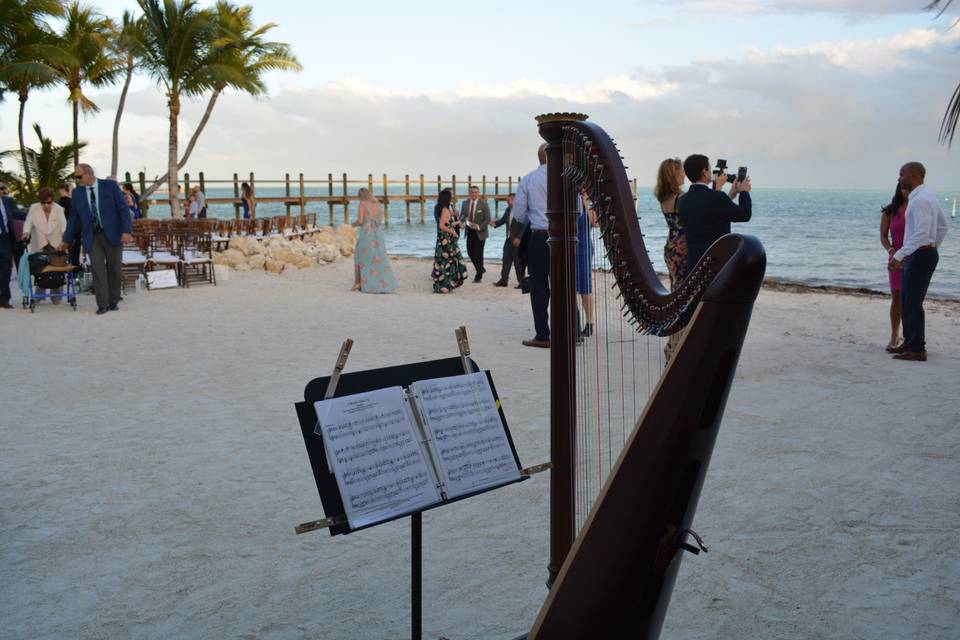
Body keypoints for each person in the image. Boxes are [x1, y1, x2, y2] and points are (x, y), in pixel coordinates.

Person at [889, 162, 948, 362]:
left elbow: (922, 233)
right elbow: (942, 227)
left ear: (914, 175)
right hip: (922, 253)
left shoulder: (920, 200)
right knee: (906, 299)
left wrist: (901, 254)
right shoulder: (927, 196)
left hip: (919, 255)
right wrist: (933, 246)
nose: (899, 178)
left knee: (912, 302)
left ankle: (917, 348)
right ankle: (909, 341)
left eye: (902, 174)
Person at [58, 164, 134, 315]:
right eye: (76, 177)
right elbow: (73, 218)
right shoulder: (78, 193)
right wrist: (66, 240)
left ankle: (113, 301)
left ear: (88, 174)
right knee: (97, 270)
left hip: (113, 234)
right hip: (91, 236)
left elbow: (123, 209)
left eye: (79, 176)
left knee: (114, 269)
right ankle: (102, 304)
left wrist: (126, 231)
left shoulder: (110, 186)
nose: (77, 180)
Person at [678, 154, 751, 274]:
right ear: (704, 172)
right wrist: (744, 192)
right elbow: (745, 215)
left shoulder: (683, 200)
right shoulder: (717, 198)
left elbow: (709, 209)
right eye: (710, 169)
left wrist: (732, 192)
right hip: (717, 265)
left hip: (693, 265)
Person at [512, 144, 550, 347]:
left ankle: (543, 334)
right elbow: (578, 210)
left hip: (540, 236)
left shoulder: (529, 179)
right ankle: (571, 332)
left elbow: (518, 213)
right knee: (565, 285)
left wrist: (535, 215)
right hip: (564, 240)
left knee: (539, 286)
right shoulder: (567, 178)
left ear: (539, 158)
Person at [22, 188, 68, 302]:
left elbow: (64, 225)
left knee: (56, 269)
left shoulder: (58, 209)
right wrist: (26, 233)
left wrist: (65, 239)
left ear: (52, 200)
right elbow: (28, 222)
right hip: (40, 240)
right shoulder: (34, 208)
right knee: (40, 269)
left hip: (56, 241)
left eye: (49, 202)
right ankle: (39, 296)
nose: (46, 205)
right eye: (43, 202)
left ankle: (56, 296)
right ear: (40, 201)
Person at [351, 188, 399, 293]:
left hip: (366, 233)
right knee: (379, 258)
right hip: (377, 233)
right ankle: (383, 284)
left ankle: (358, 283)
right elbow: (380, 221)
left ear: (360, 196)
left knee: (361, 257)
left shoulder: (362, 204)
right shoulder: (377, 203)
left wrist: (351, 225)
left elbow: (360, 221)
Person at [880, 183, 908, 352]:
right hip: (895, 257)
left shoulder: (917, 206)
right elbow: (883, 236)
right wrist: (891, 251)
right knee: (896, 296)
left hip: (914, 256)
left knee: (912, 298)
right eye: (903, 187)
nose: (906, 190)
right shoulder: (890, 211)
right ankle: (894, 335)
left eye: (908, 188)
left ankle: (910, 336)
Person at [655, 158, 687, 290]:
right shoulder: (682, 198)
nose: (684, 174)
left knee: (675, 284)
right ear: (675, 175)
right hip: (683, 247)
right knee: (685, 286)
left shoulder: (663, 198)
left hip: (670, 246)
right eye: (682, 171)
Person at [431, 188, 467, 293]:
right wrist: (452, 232)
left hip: (446, 239)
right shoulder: (445, 210)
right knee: (449, 261)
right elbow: (442, 226)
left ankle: (446, 285)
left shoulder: (445, 209)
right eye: (450, 196)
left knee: (447, 261)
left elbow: (447, 223)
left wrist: (456, 223)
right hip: (446, 239)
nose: (452, 197)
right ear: (447, 198)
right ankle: (445, 285)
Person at [490, 193, 526, 288]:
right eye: (507, 200)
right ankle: (503, 280)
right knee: (506, 259)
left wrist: (519, 238)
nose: (507, 202)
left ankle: (522, 282)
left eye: (509, 200)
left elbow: (525, 227)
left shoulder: (522, 211)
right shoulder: (508, 210)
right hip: (508, 239)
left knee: (518, 262)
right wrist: (494, 224)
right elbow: (503, 220)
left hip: (518, 240)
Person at [576, 188, 597, 338]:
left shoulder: (589, 200)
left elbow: (596, 223)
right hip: (567, 247)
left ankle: (589, 323)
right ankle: (573, 322)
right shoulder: (566, 199)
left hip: (583, 246)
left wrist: (586, 202)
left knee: (585, 287)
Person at [459, 185, 490, 282]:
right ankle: (481, 268)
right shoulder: (464, 203)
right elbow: (462, 216)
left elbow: (487, 219)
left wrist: (479, 226)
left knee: (478, 254)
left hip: (480, 232)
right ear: (469, 193)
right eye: (472, 192)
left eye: (476, 192)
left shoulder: (484, 204)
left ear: (478, 193)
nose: (474, 194)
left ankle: (479, 275)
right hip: (469, 232)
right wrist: (462, 223)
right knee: (470, 252)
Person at [0, 184, 23, 309]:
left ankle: (4, 300)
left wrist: (34, 213)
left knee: (6, 269)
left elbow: (16, 214)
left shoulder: (7, 201)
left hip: (4, 238)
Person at [58, 182, 80, 266]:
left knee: (72, 251)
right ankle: (74, 269)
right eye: (71, 188)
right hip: (73, 230)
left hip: (70, 230)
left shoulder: (63, 200)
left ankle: (73, 268)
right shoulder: (68, 201)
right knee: (74, 252)